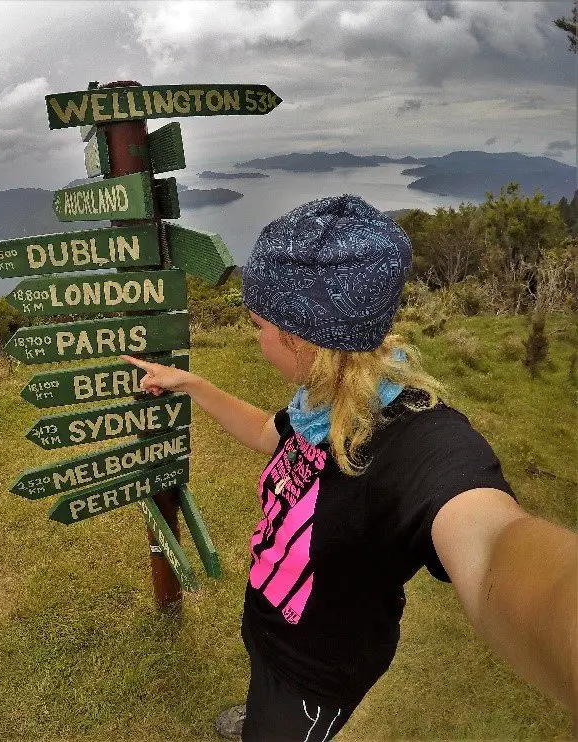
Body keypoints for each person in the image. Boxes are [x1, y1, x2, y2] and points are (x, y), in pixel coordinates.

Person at [121, 194, 577, 741]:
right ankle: (257, 717)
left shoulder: (416, 441)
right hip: (272, 630)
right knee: (262, 704)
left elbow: (491, 541)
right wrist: (194, 385)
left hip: (315, 680)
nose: (255, 334)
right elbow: (272, 437)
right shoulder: (324, 400)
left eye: (258, 323)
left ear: (299, 337)